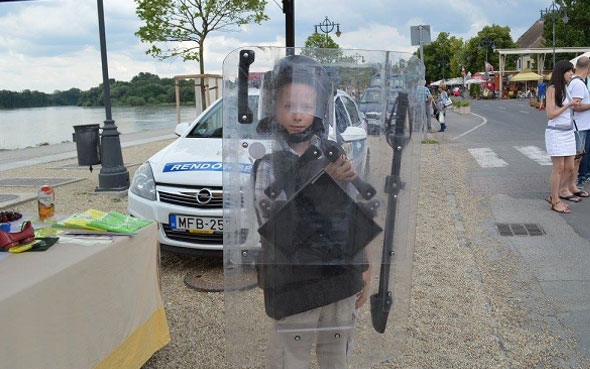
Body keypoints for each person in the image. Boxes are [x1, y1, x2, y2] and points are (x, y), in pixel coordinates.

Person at [253, 54, 372, 369]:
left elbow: (353, 217)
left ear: (319, 109)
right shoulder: (267, 166)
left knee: (336, 358)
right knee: (290, 358)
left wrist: (364, 268)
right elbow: (276, 227)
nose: (296, 115)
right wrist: (324, 185)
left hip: (338, 278)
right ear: (273, 109)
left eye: (306, 106)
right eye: (288, 105)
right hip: (293, 284)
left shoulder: (334, 157)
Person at [544, 60, 578, 213]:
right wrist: (569, 105)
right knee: (559, 168)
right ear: (561, 72)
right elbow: (550, 114)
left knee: (570, 167)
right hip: (556, 132)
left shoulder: (566, 88)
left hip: (568, 132)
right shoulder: (552, 89)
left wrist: (573, 106)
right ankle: (555, 200)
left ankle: (555, 195)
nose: (572, 74)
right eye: (569, 71)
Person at [569, 56, 590, 189]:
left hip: (582, 125)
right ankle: (573, 183)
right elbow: (576, 106)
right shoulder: (578, 83)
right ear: (588, 68)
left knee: (580, 156)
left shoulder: (575, 82)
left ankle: (575, 182)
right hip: (579, 126)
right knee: (577, 157)